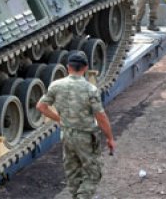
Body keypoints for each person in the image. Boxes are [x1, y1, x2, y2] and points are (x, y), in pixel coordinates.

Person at [37, 51, 116, 199]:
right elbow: (101, 116)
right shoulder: (90, 89)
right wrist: (110, 138)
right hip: (86, 136)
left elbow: (41, 107)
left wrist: (59, 119)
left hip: (67, 134)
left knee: (73, 173)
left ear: (68, 67)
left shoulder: (56, 85)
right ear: (85, 68)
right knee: (93, 173)